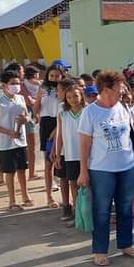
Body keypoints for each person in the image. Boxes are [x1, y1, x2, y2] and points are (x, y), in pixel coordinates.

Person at [77, 70, 134, 267]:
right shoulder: (90, 112)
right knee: (102, 210)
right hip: (101, 170)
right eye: (119, 86)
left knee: (126, 208)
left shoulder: (123, 108)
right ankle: (100, 250)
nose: (123, 90)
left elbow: (132, 134)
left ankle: (126, 244)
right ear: (106, 89)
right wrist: (83, 171)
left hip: (127, 166)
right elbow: (84, 145)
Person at [0, 71, 32, 211]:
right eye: (12, 83)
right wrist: (8, 132)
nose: (16, 86)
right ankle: (12, 200)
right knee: (9, 172)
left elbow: (27, 116)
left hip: (21, 140)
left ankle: (25, 196)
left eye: (17, 83)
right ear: (4, 85)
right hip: (6, 143)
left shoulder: (21, 99)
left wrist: (26, 120)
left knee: (22, 170)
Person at [53, 78, 83, 225]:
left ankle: (89, 214)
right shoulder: (63, 113)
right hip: (70, 155)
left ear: (81, 96)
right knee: (73, 184)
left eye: (76, 96)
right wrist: (58, 155)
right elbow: (59, 136)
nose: (73, 99)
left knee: (88, 185)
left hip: (86, 156)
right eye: (69, 97)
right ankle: (78, 215)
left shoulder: (87, 111)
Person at [35, 64, 66, 209]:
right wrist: (37, 99)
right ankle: (49, 196)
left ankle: (67, 199)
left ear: (61, 76)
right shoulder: (42, 89)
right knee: (49, 162)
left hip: (61, 123)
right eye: (51, 75)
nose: (54, 78)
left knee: (64, 161)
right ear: (47, 75)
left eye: (57, 75)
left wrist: (58, 129)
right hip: (46, 124)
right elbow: (36, 110)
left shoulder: (65, 89)